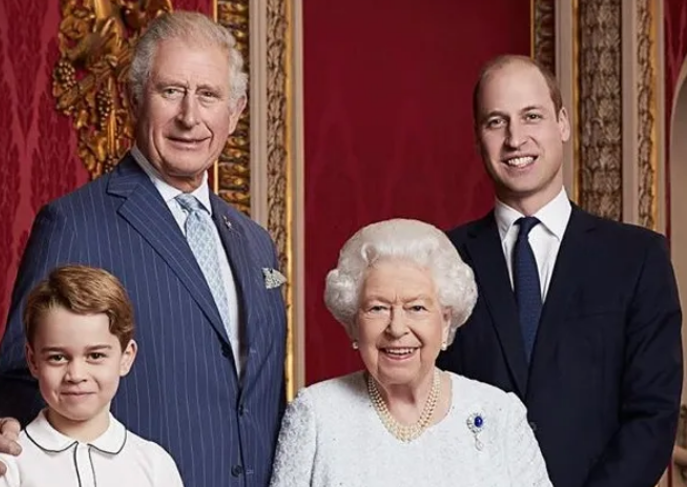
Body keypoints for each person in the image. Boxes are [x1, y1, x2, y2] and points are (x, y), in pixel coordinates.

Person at [0, 11, 287, 487]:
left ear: (235, 111)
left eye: (208, 95)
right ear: (135, 98)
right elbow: (20, 370)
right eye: (171, 91)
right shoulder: (74, 223)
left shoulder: (255, 242)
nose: (189, 116)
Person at [438, 54, 683, 487]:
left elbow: (653, 413)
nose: (516, 138)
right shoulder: (443, 257)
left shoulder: (637, 257)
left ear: (563, 123)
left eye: (532, 116)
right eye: (496, 122)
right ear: (478, 139)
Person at [269, 219, 553, 486]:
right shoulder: (316, 415)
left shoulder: (499, 414)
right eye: (377, 308)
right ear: (354, 323)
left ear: (445, 321)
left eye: (416, 308)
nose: (396, 328)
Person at [0, 265, 183, 487]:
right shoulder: (8, 464)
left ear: (126, 357)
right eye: (57, 357)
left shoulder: (154, 465)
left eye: (95, 355)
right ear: (33, 361)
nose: (76, 375)